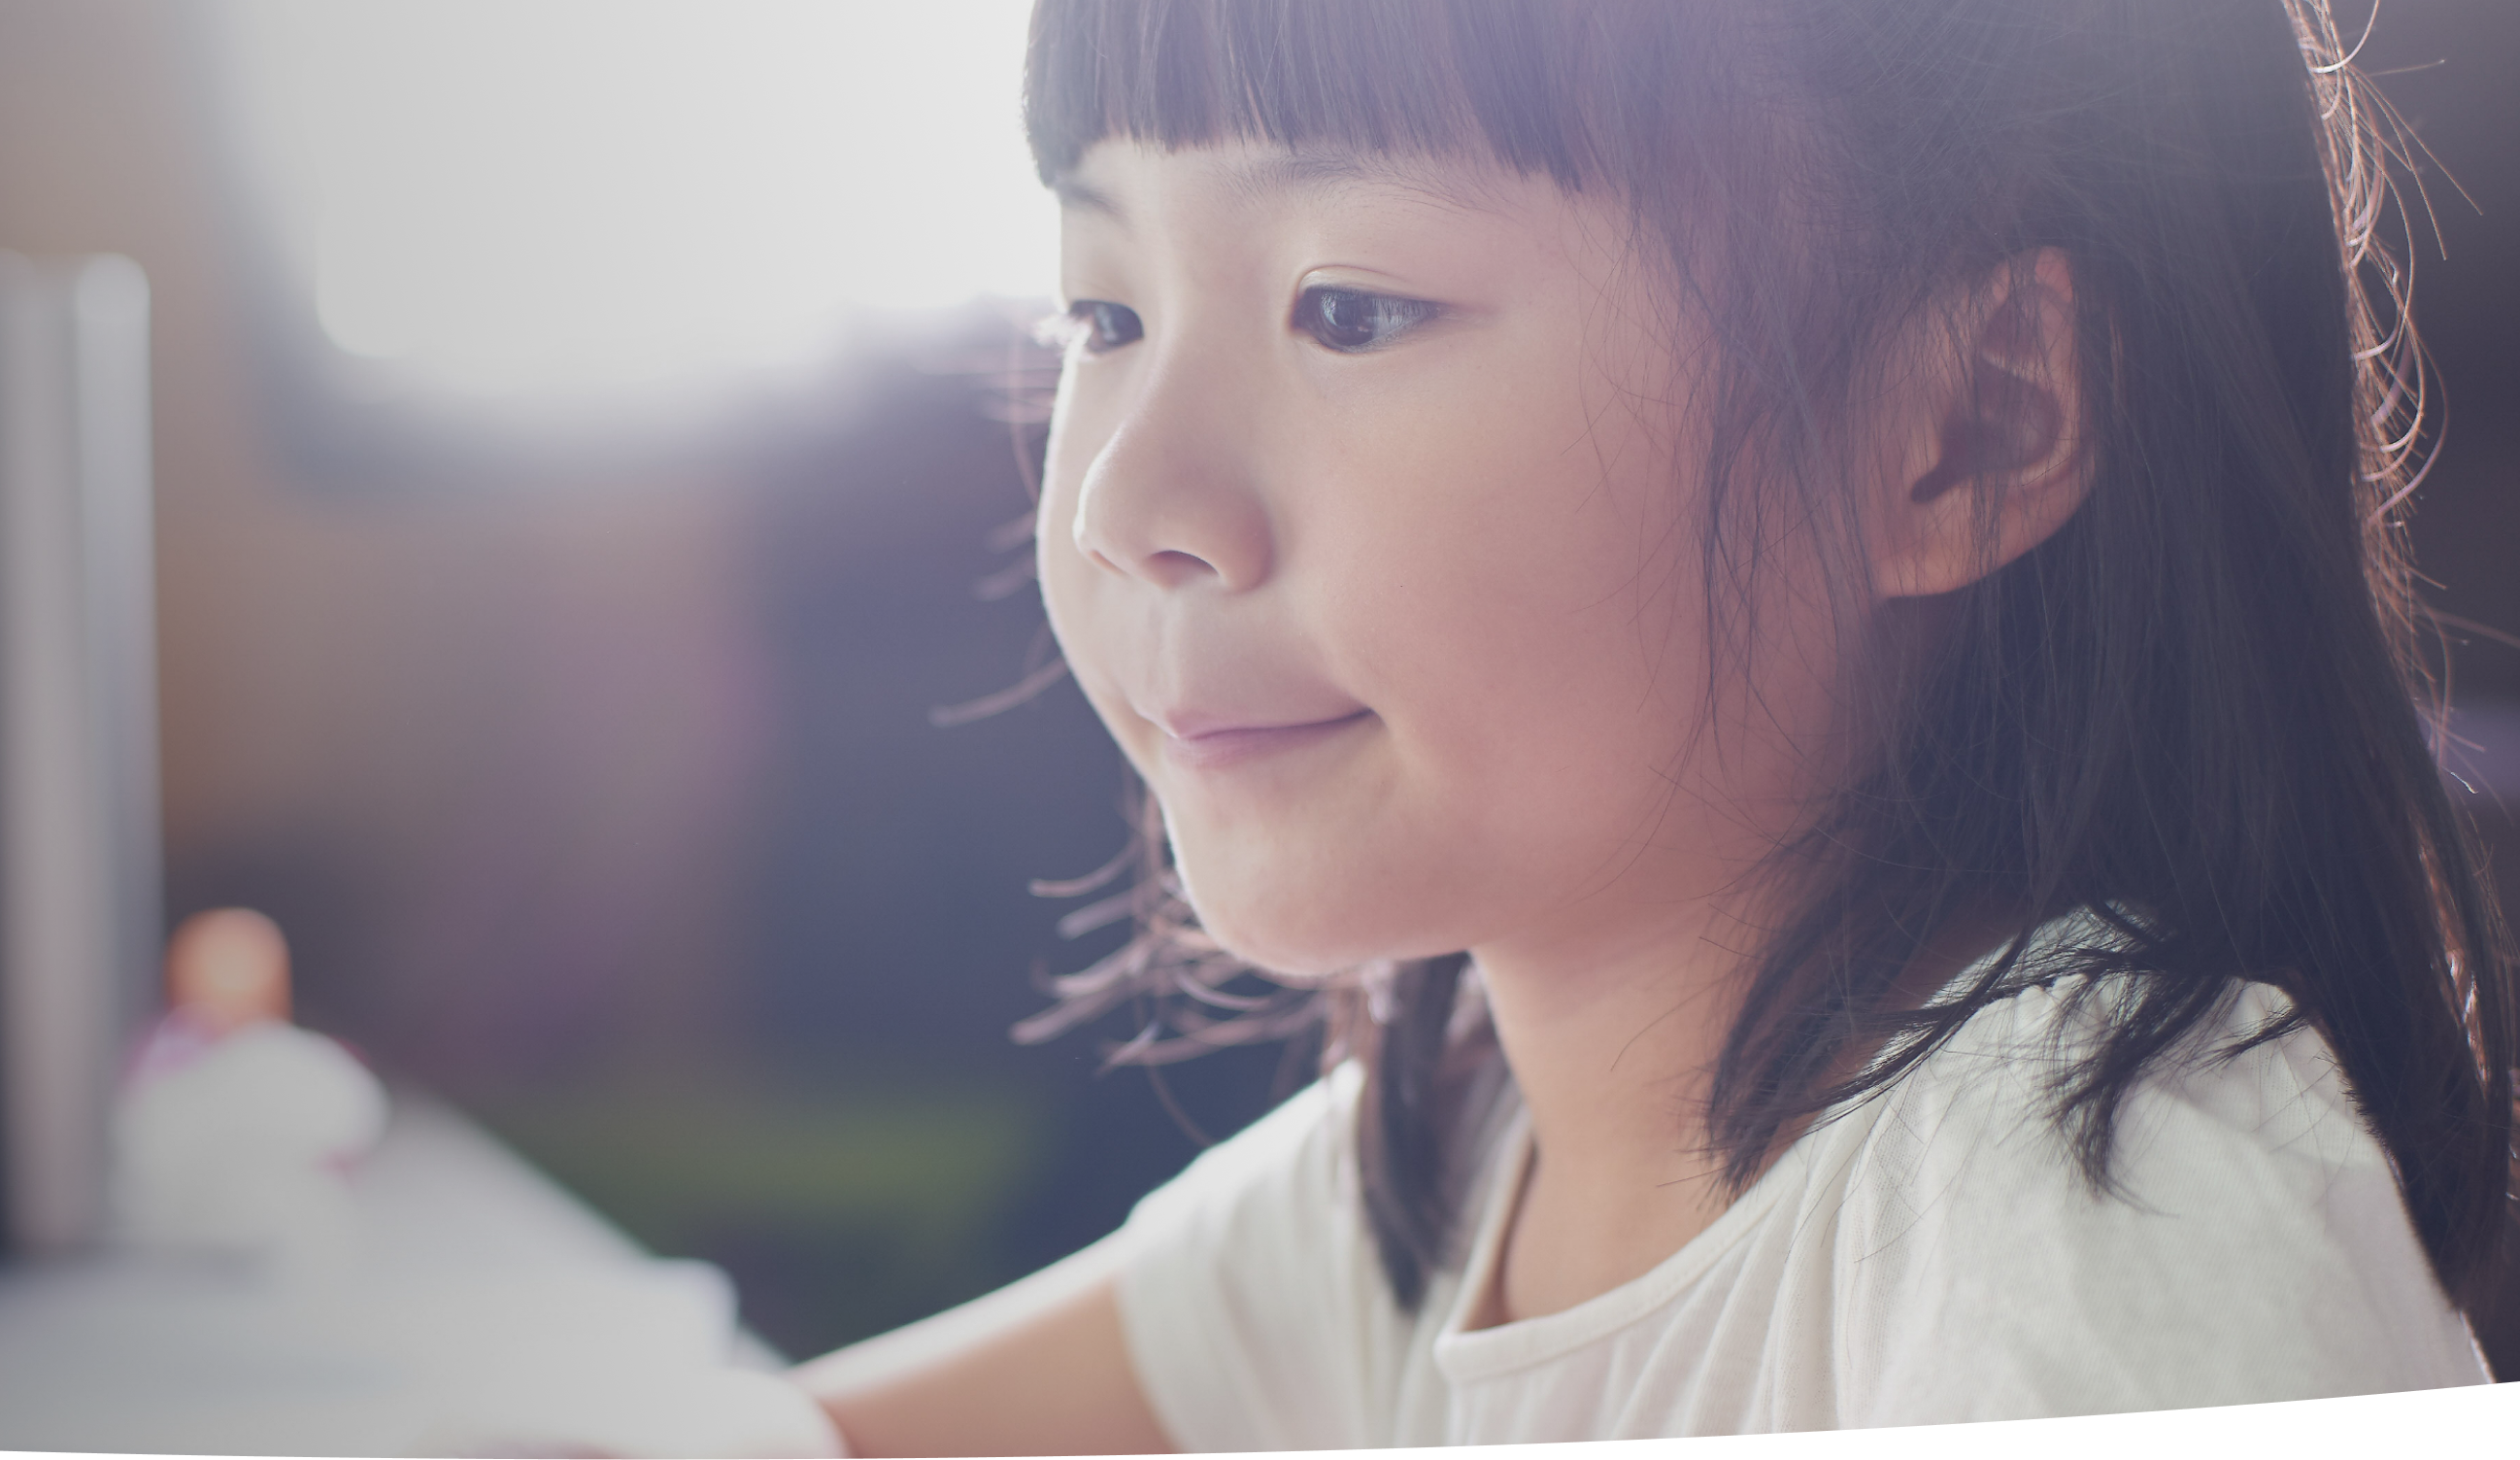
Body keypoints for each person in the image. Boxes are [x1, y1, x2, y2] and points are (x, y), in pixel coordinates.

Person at [723, 0, 2516, 1450]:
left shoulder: (2111, 1224)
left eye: (1349, 308)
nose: (1128, 497)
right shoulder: (1436, 1181)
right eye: (1103, 307)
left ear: (1968, 419)